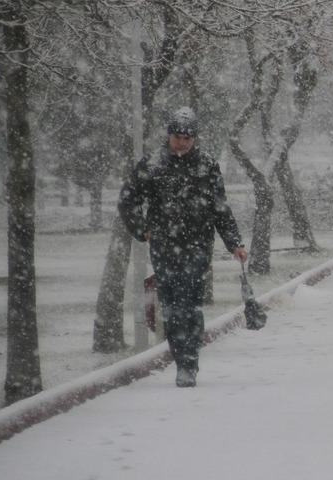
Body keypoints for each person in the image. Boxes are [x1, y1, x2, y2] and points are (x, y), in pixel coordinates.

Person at [118, 106, 248, 387]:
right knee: (172, 307)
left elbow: (219, 208)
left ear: (195, 138)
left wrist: (234, 242)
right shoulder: (153, 164)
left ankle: (190, 360)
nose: (183, 142)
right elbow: (127, 200)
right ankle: (182, 362)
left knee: (190, 305)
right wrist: (143, 230)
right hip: (164, 247)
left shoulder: (207, 165)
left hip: (198, 246)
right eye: (178, 136)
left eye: (188, 138)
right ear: (169, 135)